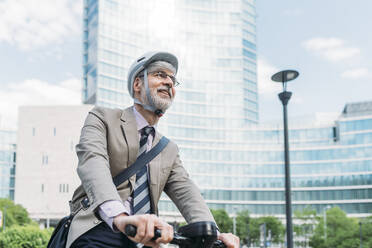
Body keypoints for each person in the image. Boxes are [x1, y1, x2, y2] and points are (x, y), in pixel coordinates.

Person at [66, 51, 240, 248]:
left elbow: (187, 192)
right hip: (99, 227)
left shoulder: (168, 149)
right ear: (137, 84)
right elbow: (92, 163)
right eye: (160, 75)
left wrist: (213, 233)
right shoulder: (102, 118)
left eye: (173, 80)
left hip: (147, 238)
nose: (169, 82)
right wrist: (120, 217)